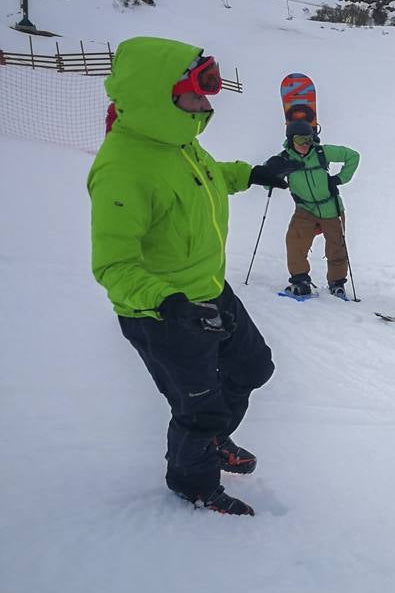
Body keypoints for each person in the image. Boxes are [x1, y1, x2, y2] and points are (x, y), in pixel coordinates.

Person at [88, 37, 297, 516]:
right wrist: (170, 305)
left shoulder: (179, 144)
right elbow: (112, 266)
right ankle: (191, 481)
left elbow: (209, 177)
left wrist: (254, 174)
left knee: (252, 368)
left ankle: (213, 439)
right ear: (158, 95)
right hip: (162, 313)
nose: (205, 106)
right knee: (198, 410)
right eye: (195, 96)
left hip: (209, 292)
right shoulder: (123, 169)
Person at [273, 119, 361, 299]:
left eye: (309, 140)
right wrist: (275, 173)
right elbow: (267, 182)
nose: (306, 144)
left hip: (330, 207)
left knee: (336, 246)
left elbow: (353, 156)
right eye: (300, 140)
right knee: (295, 242)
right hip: (304, 208)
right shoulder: (285, 159)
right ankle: (300, 281)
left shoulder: (322, 152)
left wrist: (339, 179)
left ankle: (337, 284)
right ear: (291, 140)